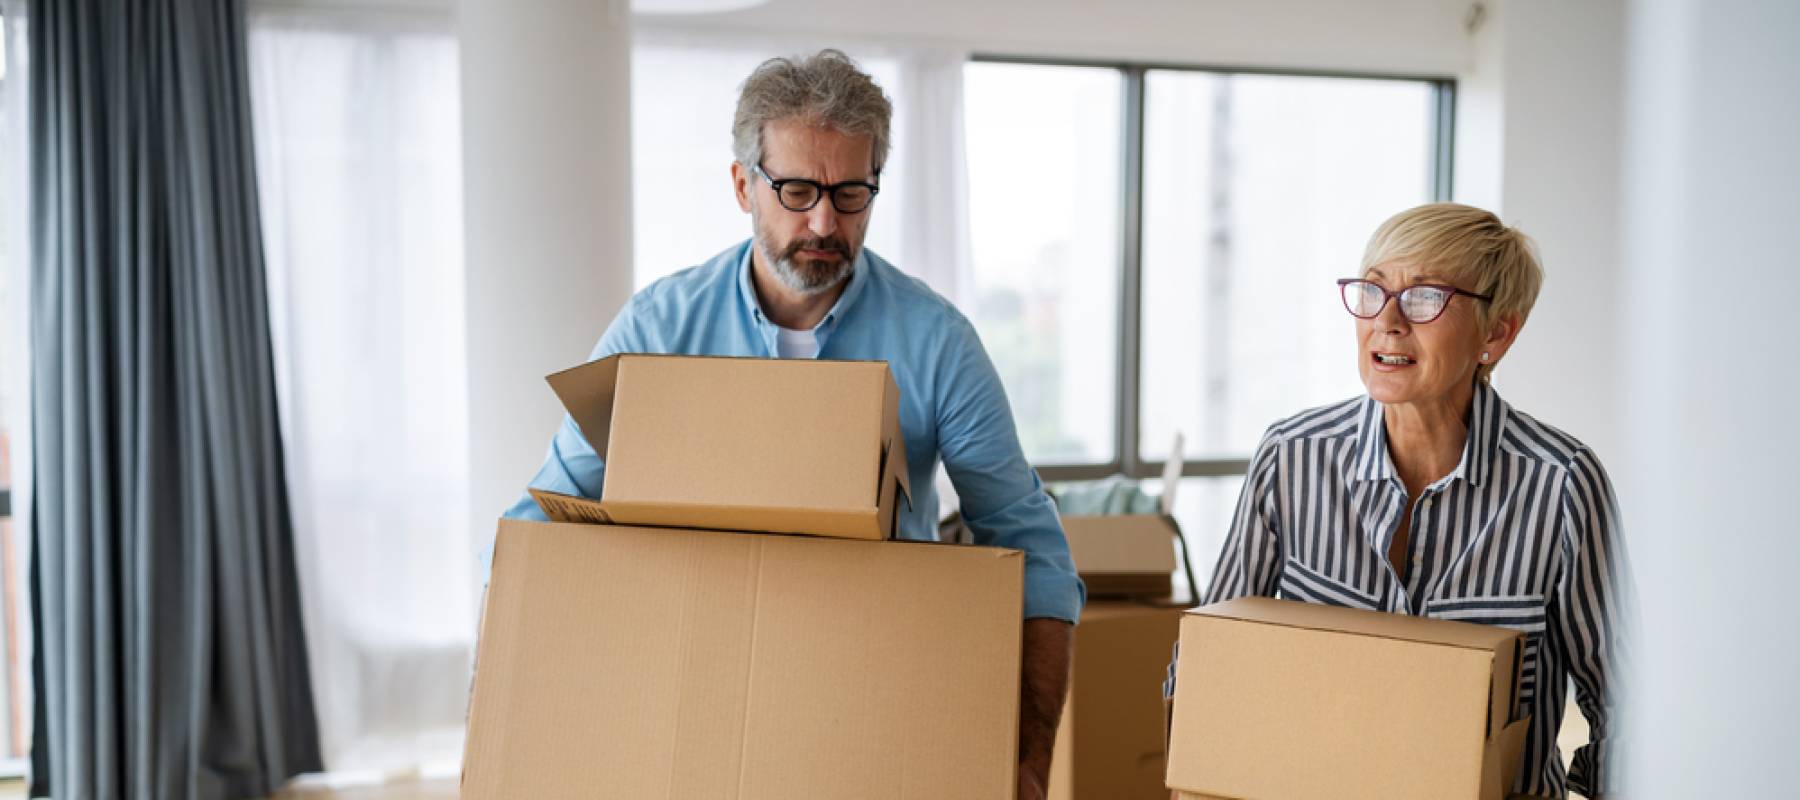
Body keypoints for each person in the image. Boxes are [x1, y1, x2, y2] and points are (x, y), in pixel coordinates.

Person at [501, 49, 1084, 800]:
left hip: (876, 712)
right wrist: (505, 721)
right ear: (744, 184)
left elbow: (1030, 548)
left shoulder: (938, 344)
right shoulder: (656, 331)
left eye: (850, 194)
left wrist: (1030, 762)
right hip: (689, 710)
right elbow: (542, 526)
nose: (824, 221)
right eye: (799, 189)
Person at [1165, 203, 1633, 799]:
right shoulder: (1292, 457)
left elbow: (1627, 707)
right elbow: (1208, 663)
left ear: (1497, 333)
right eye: (1373, 290)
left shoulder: (1561, 484)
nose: (1386, 321)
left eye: (1423, 298)